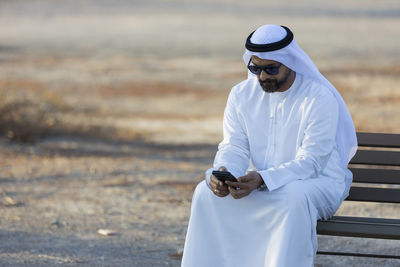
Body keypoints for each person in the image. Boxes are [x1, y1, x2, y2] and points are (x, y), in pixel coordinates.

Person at [181, 24, 357, 267]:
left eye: (271, 69)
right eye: (255, 68)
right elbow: (234, 146)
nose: (262, 76)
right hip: (261, 182)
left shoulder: (318, 98)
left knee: (292, 198)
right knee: (205, 193)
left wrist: (262, 179)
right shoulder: (241, 95)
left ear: (290, 62)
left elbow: (313, 162)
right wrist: (223, 173)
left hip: (317, 183)